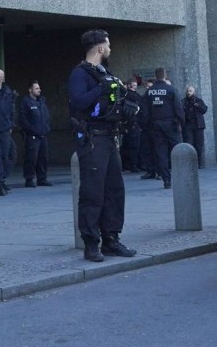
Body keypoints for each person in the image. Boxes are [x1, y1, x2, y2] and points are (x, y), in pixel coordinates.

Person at [69, 29, 137, 263]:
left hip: (110, 137)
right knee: (92, 192)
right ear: (100, 48)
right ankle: (91, 243)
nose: (110, 49)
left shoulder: (105, 72)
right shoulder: (80, 74)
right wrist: (101, 89)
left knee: (114, 191)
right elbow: (77, 102)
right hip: (93, 139)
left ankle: (111, 239)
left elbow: (114, 100)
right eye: (108, 45)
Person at [143, 68, 182, 188]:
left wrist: (147, 125)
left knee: (161, 153)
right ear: (165, 76)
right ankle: (181, 177)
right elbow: (178, 108)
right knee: (178, 150)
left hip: (155, 125)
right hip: (171, 124)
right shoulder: (171, 90)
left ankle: (166, 180)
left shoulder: (149, 91)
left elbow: (145, 111)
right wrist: (181, 122)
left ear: (155, 76)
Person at [19, 81, 51, 188]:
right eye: (36, 88)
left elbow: (46, 117)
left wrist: (46, 128)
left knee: (43, 157)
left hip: (43, 134)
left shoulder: (42, 101)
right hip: (32, 135)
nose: (39, 90)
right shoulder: (26, 102)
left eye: (39, 88)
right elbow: (23, 119)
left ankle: (42, 179)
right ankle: (29, 179)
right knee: (31, 158)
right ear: (30, 90)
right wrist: (31, 129)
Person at [181, 85, 209, 167]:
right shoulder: (183, 101)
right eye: (188, 91)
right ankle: (190, 163)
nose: (189, 92)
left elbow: (204, 110)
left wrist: (197, 105)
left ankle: (198, 162)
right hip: (188, 126)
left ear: (194, 92)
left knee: (198, 145)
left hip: (198, 125)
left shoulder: (198, 101)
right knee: (189, 143)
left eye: (190, 91)